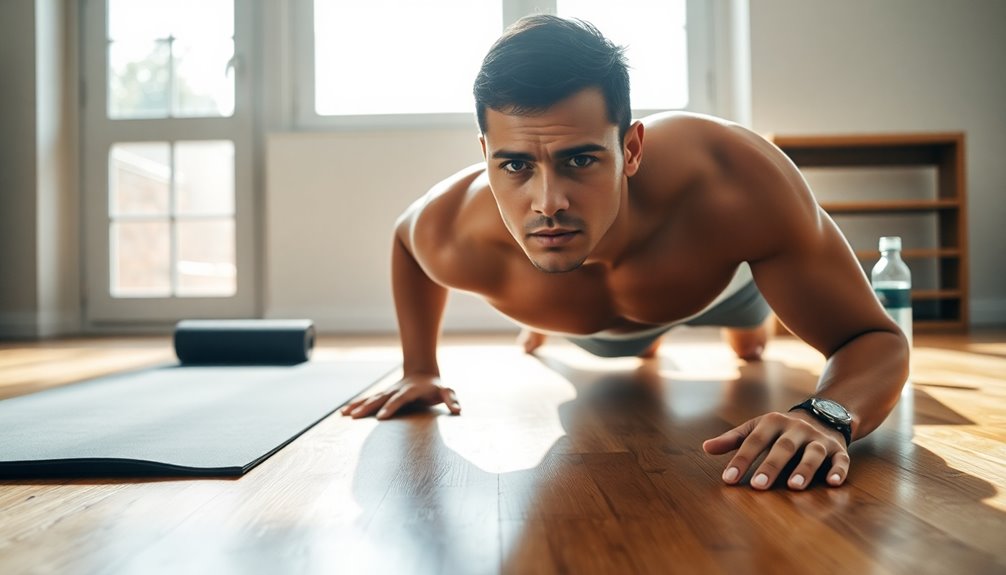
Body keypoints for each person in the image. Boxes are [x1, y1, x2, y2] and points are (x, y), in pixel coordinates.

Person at [340, 15, 909, 491]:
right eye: (515, 165)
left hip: (722, 286)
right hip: (584, 326)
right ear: (485, 154)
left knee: (753, 347)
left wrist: (827, 414)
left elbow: (874, 339)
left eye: (581, 160)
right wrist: (419, 369)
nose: (548, 203)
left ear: (631, 148)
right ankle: (562, 333)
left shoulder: (731, 177)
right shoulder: (452, 229)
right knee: (614, 354)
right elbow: (404, 243)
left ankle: (742, 324)